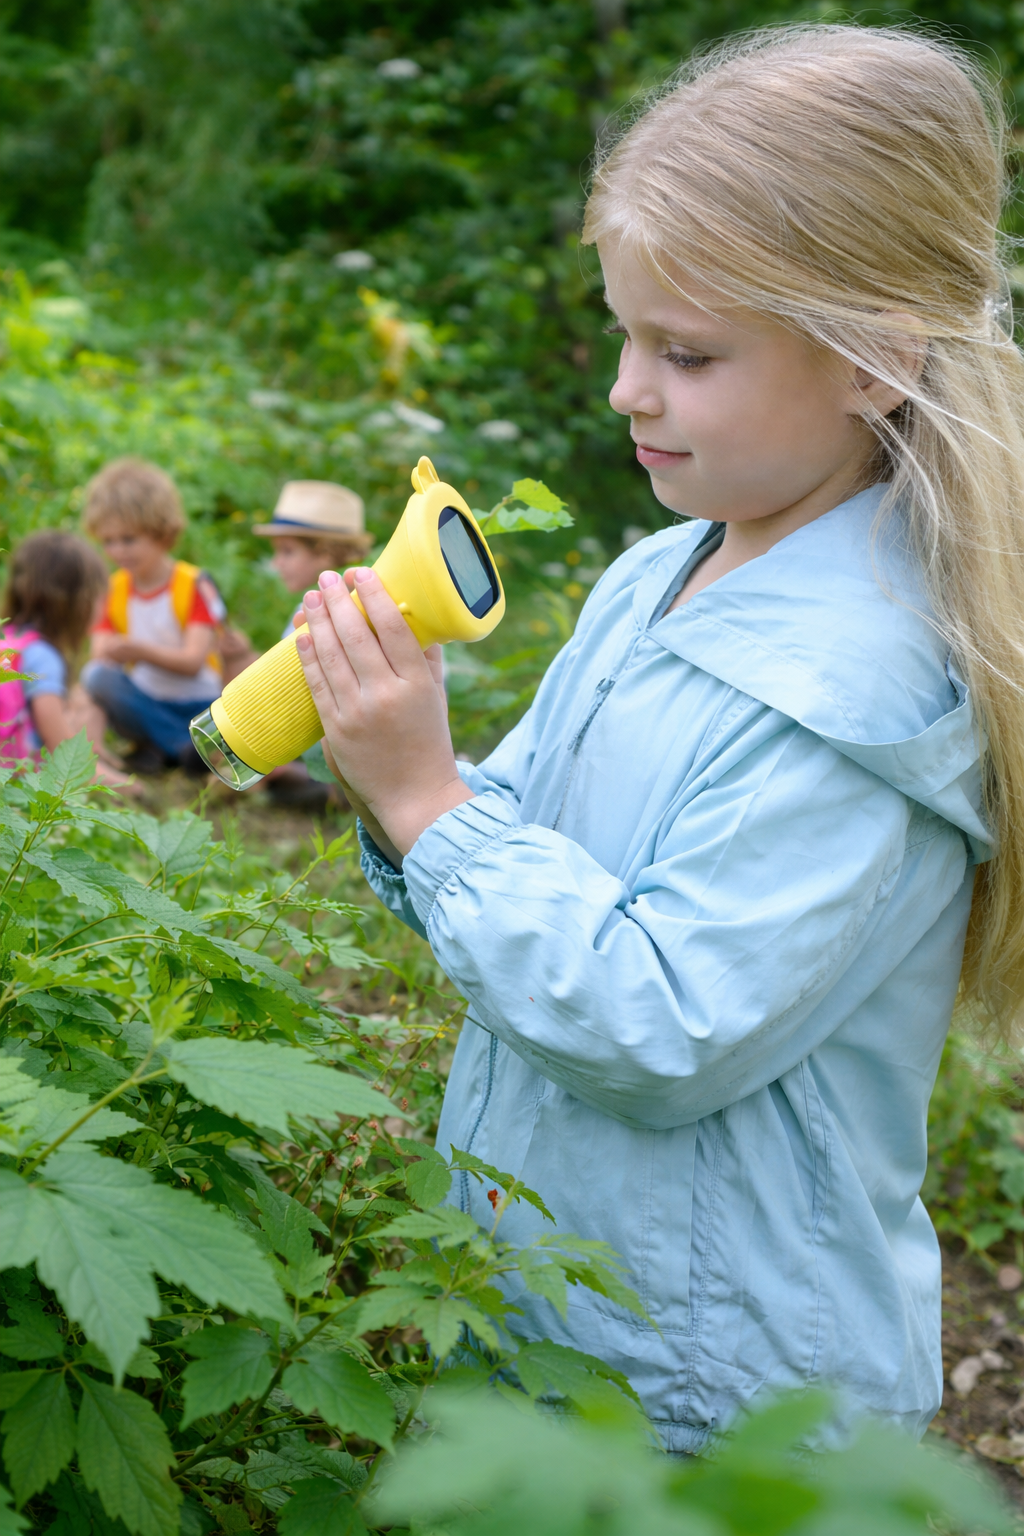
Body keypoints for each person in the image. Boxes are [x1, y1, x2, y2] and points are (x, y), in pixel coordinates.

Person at [292, 26, 1024, 1448]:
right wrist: (397, 778)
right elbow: (528, 823)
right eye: (628, 332)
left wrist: (430, 804)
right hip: (563, 1313)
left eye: (685, 353)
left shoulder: (857, 689)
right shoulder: (664, 570)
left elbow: (663, 1019)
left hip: (719, 1397)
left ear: (876, 360)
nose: (629, 387)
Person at [81, 458, 227, 775]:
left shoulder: (193, 584)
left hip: (199, 703)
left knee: (212, 717)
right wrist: (113, 650)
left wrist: (138, 651)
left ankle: (166, 749)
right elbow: (99, 659)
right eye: (108, 541)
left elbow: (192, 662)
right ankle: (182, 749)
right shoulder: (113, 589)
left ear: (162, 534)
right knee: (95, 677)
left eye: (129, 539)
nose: (118, 551)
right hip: (145, 702)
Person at [253, 480, 371, 809]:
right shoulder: (368, 593)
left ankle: (329, 786)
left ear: (324, 552)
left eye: (288, 552)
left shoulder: (320, 607)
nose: (278, 563)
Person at [0, 530, 137, 792]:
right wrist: (130, 787)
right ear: (77, 602)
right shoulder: (43, 658)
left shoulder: (8, 639)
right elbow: (65, 761)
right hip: (13, 789)